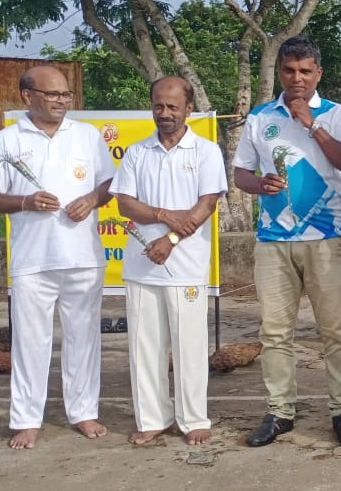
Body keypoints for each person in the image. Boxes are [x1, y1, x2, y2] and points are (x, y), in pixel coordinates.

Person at [232, 36, 341, 447]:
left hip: (326, 238)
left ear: (318, 73)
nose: (297, 79)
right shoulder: (259, 116)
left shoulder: (338, 115)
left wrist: (311, 123)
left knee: (335, 330)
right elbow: (240, 175)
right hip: (273, 240)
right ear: (280, 73)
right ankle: (279, 412)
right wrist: (259, 183)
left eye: (306, 71)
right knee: (274, 332)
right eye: (289, 71)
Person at [0, 65, 115, 449]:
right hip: (32, 260)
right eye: (53, 94)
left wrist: (91, 199)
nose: (61, 101)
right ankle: (26, 420)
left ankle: (84, 412)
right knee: (30, 342)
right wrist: (24, 201)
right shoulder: (7, 139)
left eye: (66, 95)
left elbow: (109, 184)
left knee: (83, 339)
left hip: (83, 257)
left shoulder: (87, 136)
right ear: (27, 96)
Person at [110, 76, 227, 446]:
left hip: (186, 264)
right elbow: (125, 204)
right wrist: (164, 214)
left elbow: (206, 204)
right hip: (142, 264)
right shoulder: (137, 152)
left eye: (173, 106)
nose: (165, 113)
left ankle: (193, 419)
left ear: (188, 108)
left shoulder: (205, 151)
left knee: (190, 346)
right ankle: (152, 418)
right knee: (145, 346)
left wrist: (171, 238)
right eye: (158, 106)